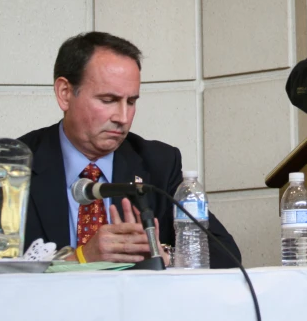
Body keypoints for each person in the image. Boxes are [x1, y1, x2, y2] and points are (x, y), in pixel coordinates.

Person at [19, 32, 241, 268]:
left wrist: (164, 255)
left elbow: (227, 257)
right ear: (65, 94)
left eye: (131, 102)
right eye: (108, 100)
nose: (123, 117)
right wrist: (80, 258)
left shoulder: (158, 164)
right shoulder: (13, 166)